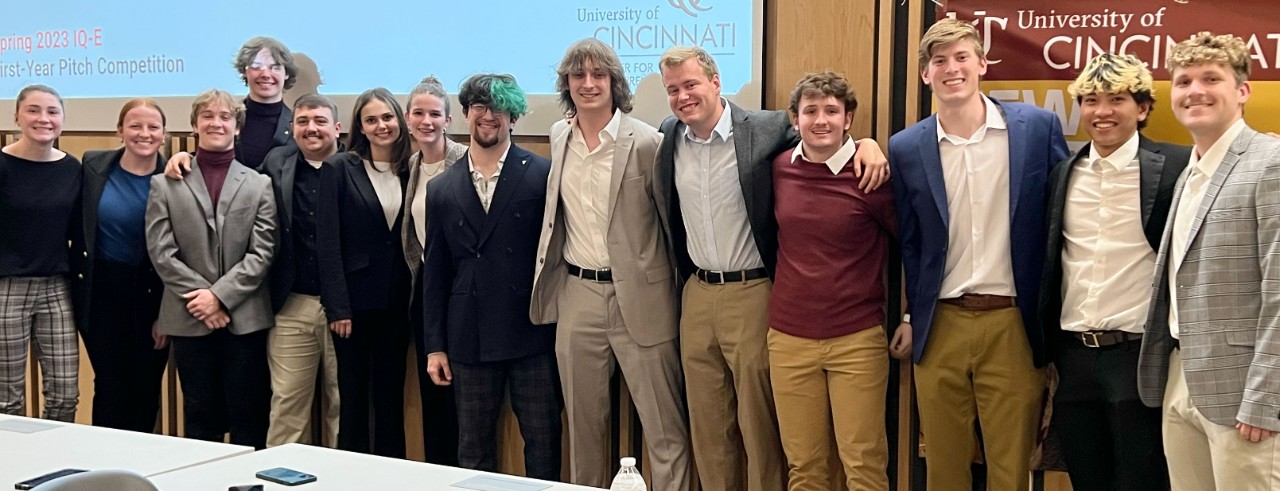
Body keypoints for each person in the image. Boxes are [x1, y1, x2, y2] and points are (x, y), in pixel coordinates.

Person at [653, 45, 888, 491]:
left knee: (761, 426)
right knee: (709, 427)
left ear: (716, 82)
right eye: (673, 90)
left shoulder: (765, 128)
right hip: (697, 293)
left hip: (754, 293)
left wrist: (870, 144)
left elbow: (824, 135)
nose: (683, 96)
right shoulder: (670, 135)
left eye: (691, 84)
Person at [887, 18, 1068, 491]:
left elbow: (1058, 222)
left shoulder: (1034, 130)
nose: (951, 69)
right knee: (945, 468)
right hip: (940, 325)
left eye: (961, 57)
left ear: (982, 64)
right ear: (925, 74)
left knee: (1010, 470)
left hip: (1012, 324)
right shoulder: (906, 147)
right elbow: (911, 242)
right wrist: (910, 314)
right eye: (939, 61)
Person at [530, 38, 692, 489]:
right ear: (567, 84)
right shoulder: (559, 136)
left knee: (665, 431)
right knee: (583, 430)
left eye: (598, 75)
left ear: (614, 83)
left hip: (643, 298)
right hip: (578, 296)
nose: (588, 84)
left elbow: (669, 224)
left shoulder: (648, 141)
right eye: (578, 76)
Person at [1137, 31, 1280, 490]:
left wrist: (1265, 397)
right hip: (1182, 377)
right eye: (1182, 81)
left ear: (1242, 91)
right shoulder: (1190, 174)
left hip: (1244, 395)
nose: (1194, 90)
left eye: (1210, 78)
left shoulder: (1270, 162)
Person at [1040, 53, 1185, 491]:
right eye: (1090, 100)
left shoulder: (1178, 167)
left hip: (1139, 357)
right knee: (1087, 479)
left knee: (1144, 481)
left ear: (1141, 108)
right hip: (1074, 358)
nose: (1101, 112)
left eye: (1116, 99)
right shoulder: (1063, 172)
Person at [422, 73, 561, 480]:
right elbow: (437, 273)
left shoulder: (542, 174)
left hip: (532, 333)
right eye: (479, 107)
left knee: (543, 439)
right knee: (473, 445)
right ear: (465, 114)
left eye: (499, 108)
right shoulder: (442, 188)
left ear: (513, 117)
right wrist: (435, 346)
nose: (488, 116)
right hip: (469, 336)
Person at [768, 71, 901, 491]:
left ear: (848, 118)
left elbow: (914, 247)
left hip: (856, 340)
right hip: (788, 339)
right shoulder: (778, 169)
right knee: (804, 467)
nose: (820, 120)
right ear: (794, 119)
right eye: (810, 111)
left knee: (862, 464)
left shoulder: (872, 175)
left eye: (831, 110)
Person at [146, 89, 277, 449]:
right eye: (208, 116)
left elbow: (263, 251)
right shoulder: (165, 183)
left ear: (237, 128)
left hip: (244, 318)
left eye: (225, 117)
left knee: (249, 417)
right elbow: (161, 251)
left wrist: (219, 297)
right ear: (194, 124)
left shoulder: (259, 183)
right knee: (200, 418)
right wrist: (202, 299)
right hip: (189, 318)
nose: (216, 123)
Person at [318, 87, 413, 458]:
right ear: (360, 126)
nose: (381, 126)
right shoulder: (340, 168)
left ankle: (392, 474)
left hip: (397, 303)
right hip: (353, 309)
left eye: (387, 117)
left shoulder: (412, 167)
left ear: (399, 120)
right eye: (371, 120)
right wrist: (338, 308)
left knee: (390, 399)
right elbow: (328, 243)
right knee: (353, 400)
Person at [72, 99, 172, 433]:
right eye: (135, 126)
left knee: (145, 388)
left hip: (152, 294)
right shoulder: (93, 166)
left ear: (163, 134)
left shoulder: (176, 176)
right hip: (101, 293)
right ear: (119, 131)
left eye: (153, 127)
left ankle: (138, 474)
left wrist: (166, 314)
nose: (144, 134)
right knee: (110, 385)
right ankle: (103, 472)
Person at [258, 93, 344, 447]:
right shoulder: (276, 163)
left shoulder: (355, 166)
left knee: (344, 407)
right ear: (291, 129)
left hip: (345, 309)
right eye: (303, 122)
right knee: (287, 407)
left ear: (337, 128)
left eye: (320, 121)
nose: (312, 129)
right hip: (290, 304)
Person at [0, 85, 81, 422]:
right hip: (7, 288)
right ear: (16, 116)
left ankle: (57, 471)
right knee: (7, 399)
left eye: (52, 111)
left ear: (62, 120)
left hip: (56, 286)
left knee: (65, 393)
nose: (43, 119)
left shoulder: (72, 168)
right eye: (33, 110)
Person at [401, 76, 466, 465]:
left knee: (463, 398)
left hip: (462, 288)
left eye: (435, 114)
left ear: (449, 119)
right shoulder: (411, 165)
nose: (427, 121)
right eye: (419, 113)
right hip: (426, 286)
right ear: (408, 118)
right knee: (433, 394)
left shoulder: (465, 161)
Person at [168, 37, 297, 172]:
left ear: (286, 74)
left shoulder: (299, 124)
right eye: (256, 66)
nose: (265, 74)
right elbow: (210, 158)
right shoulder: (226, 118)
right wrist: (186, 157)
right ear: (245, 72)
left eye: (275, 67)